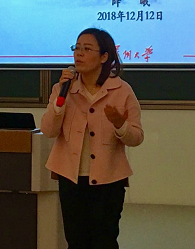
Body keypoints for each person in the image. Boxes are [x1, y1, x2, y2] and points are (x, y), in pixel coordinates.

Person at [41, 27, 144, 249]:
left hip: (109, 180)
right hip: (71, 179)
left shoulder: (122, 90)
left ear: (104, 57)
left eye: (87, 49)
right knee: (76, 241)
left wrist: (120, 124)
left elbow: (136, 137)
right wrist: (60, 100)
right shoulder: (63, 88)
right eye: (76, 48)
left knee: (104, 241)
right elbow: (48, 130)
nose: (79, 54)